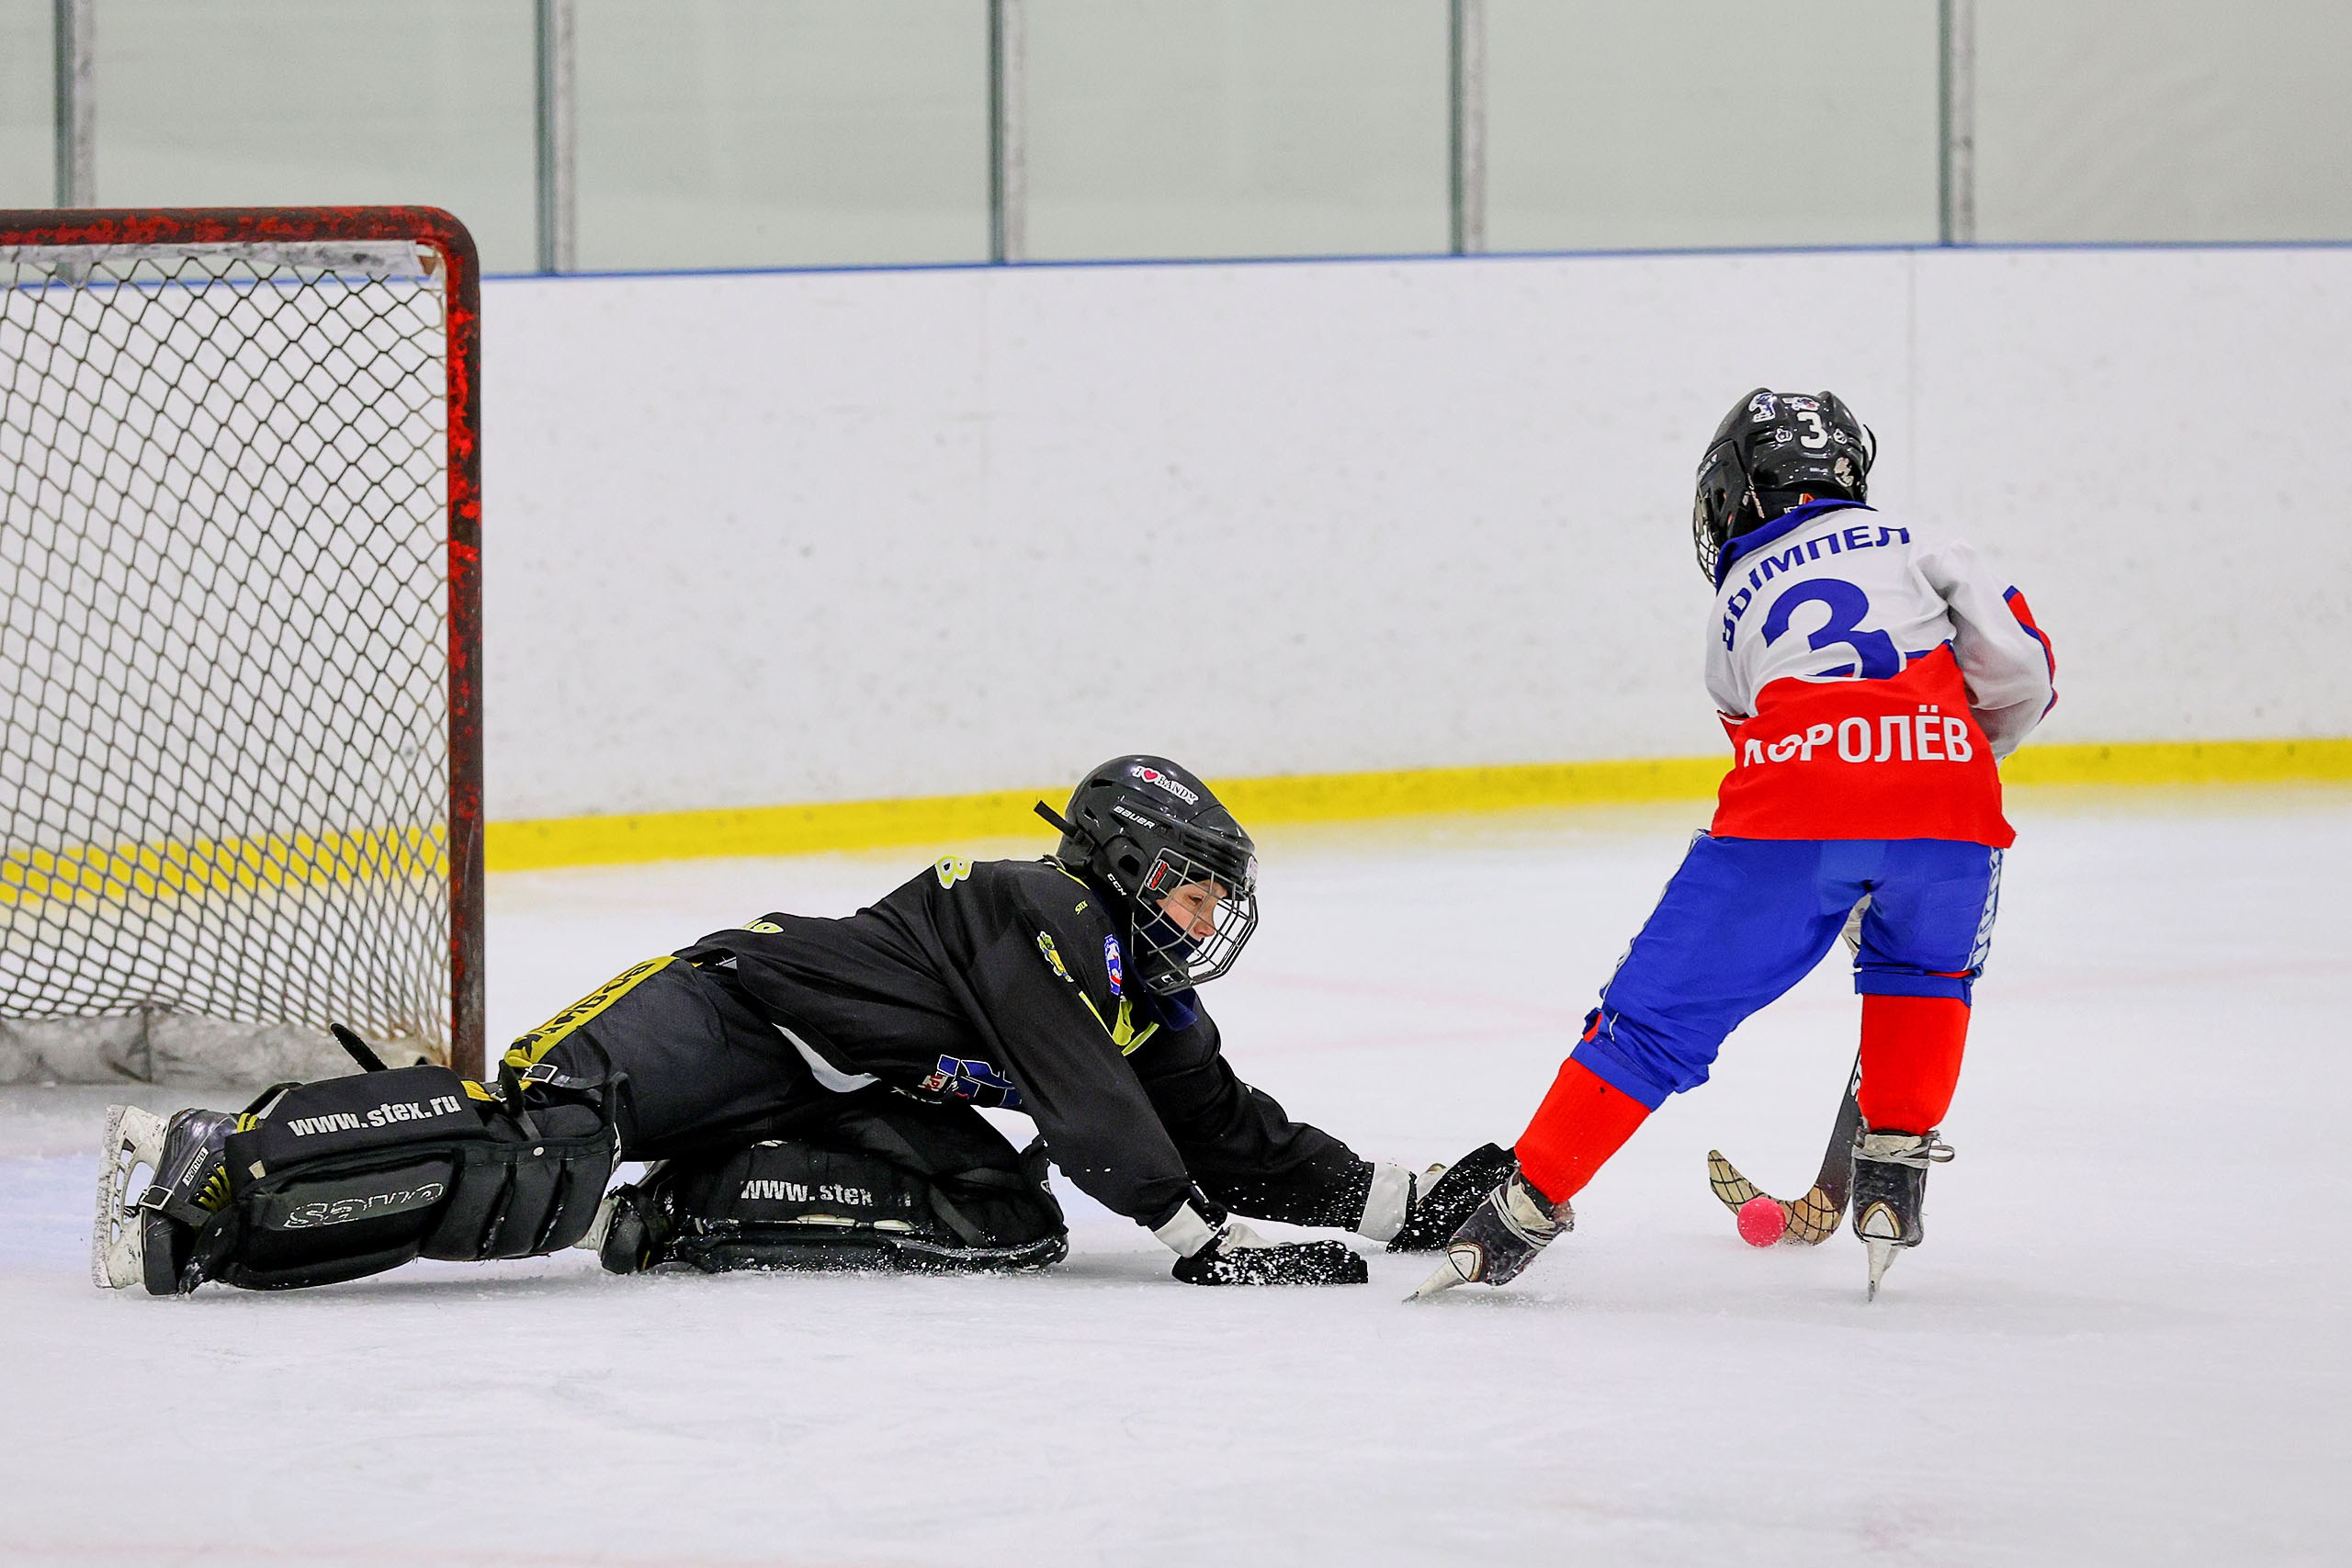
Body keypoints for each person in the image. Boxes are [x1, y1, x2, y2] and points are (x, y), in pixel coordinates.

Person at [95, 755, 1510, 1296]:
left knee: (991, 1213)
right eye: (1192, 889)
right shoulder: (1036, 904)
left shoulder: (1142, 989)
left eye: (1216, 899)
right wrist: (1198, 1246)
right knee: (544, 1156)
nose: (1205, 920)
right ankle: (215, 1170)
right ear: (1125, 864)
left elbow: (1226, 1131)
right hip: (731, 1012)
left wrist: (1404, 1200)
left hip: (822, 1093)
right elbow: (1094, 1113)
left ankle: (678, 1219)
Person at [1417, 389, 2057, 1301]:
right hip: (1949, 805)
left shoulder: (1736, 599)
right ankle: (1891, 1174)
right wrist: (1945, 756)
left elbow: (1761, 733)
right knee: (1922, 973)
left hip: (1794, 813)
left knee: (1645, 1029)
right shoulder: (1923, 546)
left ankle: (1519, 1212)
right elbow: (2022, 670)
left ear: (1736, 493)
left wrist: (1853, 797)